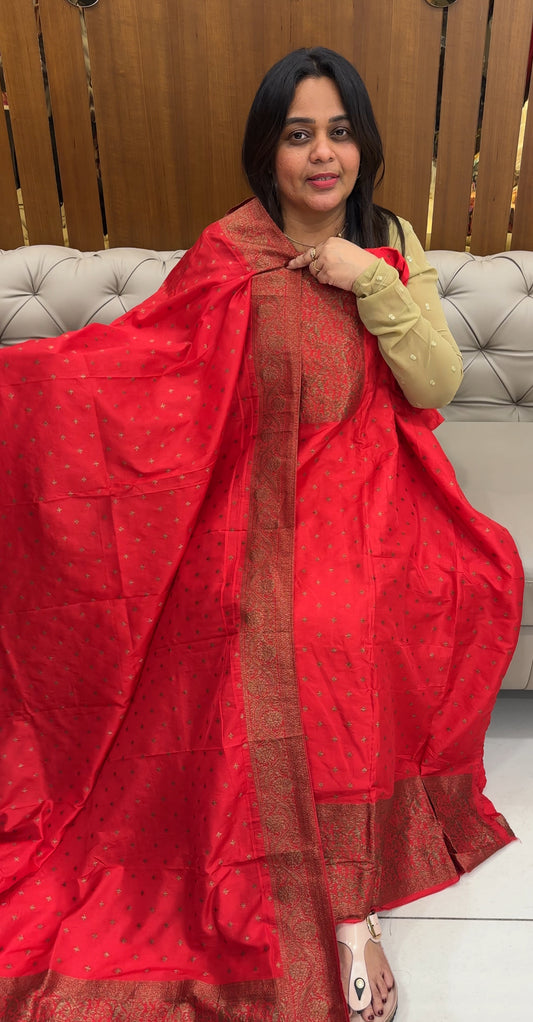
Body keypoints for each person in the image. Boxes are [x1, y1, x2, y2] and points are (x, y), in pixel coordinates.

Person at [0, 47, 523, 1022]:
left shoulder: (388, 240)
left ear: (362, 144)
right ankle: (305, 873)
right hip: (254, 487)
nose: (322, 154)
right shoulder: (229, 251)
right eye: (297, 135)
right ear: (266, 152)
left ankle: (351, 902)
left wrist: (368, 280)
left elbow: (434, 383)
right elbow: (147, 364)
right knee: (273, 622)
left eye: (339, 132)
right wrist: (24, 391)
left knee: (365, 611)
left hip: (379, 474)